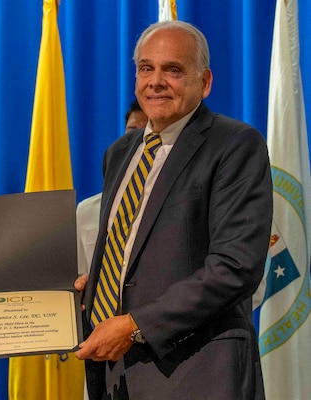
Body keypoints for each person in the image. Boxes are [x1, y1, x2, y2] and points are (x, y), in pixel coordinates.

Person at [74, 20, 272, 400]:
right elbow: (135, 255)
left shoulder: (235, 145)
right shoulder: (120, 153)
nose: (156, 81)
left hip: (199, 373)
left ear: (206, 81)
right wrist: (94, 285)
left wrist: (135, 324)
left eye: (173, 70)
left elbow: (235, 267)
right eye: (146, 68)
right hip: (120, 378)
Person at [77, 100, 147, 276]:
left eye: (148, 132)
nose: (141, 139)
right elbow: (79, 274)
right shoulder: (86, 210)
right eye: (133, 131)